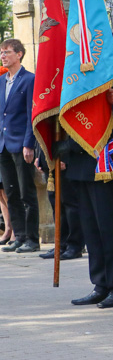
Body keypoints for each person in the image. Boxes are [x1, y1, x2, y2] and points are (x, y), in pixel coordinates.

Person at [61, 76, 113, 309]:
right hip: (80, 166)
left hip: (104, 164)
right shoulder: (75, 75)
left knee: (109, 228)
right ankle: (101, 284)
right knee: (91, 230)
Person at [0, 39, 40, 254]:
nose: (3, 56)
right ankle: (20, 236)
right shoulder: (0, 81)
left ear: (20, 54)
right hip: (3, 145)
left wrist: (28, 143)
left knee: (26, 192)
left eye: (7, 52)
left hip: (20, 143)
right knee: (11, 192)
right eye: (1, 53)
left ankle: (32, 239)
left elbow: (30, 115)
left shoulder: (29, 80)